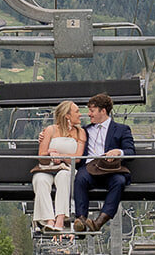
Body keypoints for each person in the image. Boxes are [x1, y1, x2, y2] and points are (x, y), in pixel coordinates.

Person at [72, 92, 136, 232]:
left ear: (103, 111)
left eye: (92, 110)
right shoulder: (85, 131)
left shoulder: (121, 129)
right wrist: (45, 136)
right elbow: (65, 135)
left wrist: (118, 152)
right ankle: (81, 219)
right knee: (80, 179)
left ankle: (100, 221)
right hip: (90, 168)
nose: (89, 114)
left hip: (110, 170)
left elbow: (131, 152)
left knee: (119, 181)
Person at [31, 100, 84, 231]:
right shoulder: (50, 130)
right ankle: (49, 219)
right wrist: (49, 153)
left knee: (63, 177)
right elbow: (41, 155)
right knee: (39, 180)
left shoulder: (80, 132)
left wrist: (61, 156)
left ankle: (60, 219)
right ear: (67, 115)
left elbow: (77, 158)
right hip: (48, 168)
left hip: (67, 168)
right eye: (77, 112)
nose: (80, 115)